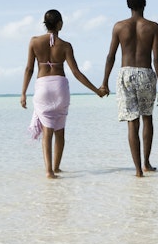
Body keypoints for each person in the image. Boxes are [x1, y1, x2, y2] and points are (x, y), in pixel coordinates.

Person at [21, 9, 104, 178]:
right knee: (60, 130)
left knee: (47, 132)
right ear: (60, 24)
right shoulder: (66, 46)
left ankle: (49, 171)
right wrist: (96, 91)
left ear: (45, 24)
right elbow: (76, 73)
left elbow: (29, 69)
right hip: (60, 88)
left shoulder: (34, 42)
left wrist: (23, 93)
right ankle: (57, 168)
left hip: (43, 86)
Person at [101, 0, 158, 177]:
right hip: (146, 73)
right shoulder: (153, 27)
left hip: (126, 73)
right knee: (147, 118)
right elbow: (157, 58)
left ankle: (138, 171)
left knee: (132, 122)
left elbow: (111, 56)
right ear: (145, 4)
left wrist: (104, 81)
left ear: (128, 5)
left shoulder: (119, 27)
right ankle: (146, 163)